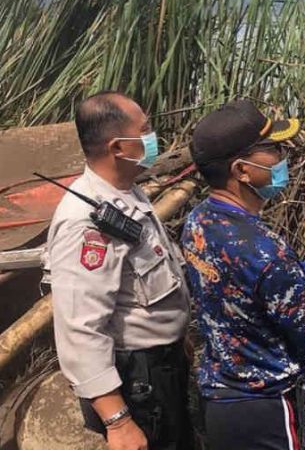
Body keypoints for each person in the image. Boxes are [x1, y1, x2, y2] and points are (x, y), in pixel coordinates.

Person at [180, 100, 305, 450]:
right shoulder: (265, 249)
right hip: (269, 412)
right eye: (272, 149)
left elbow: (235, 280)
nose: (282, 156)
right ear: (242, 170)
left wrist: (303, 272)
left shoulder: (199, 221)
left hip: (221, 403)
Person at [45, 91, 192, 450]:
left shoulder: (127, 192)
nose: (154, 136)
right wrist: (118, 421)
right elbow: (80, 327)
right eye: (146, 130)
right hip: (138, 381)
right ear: (117, 148)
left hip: (163, 365)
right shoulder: (86, 223)